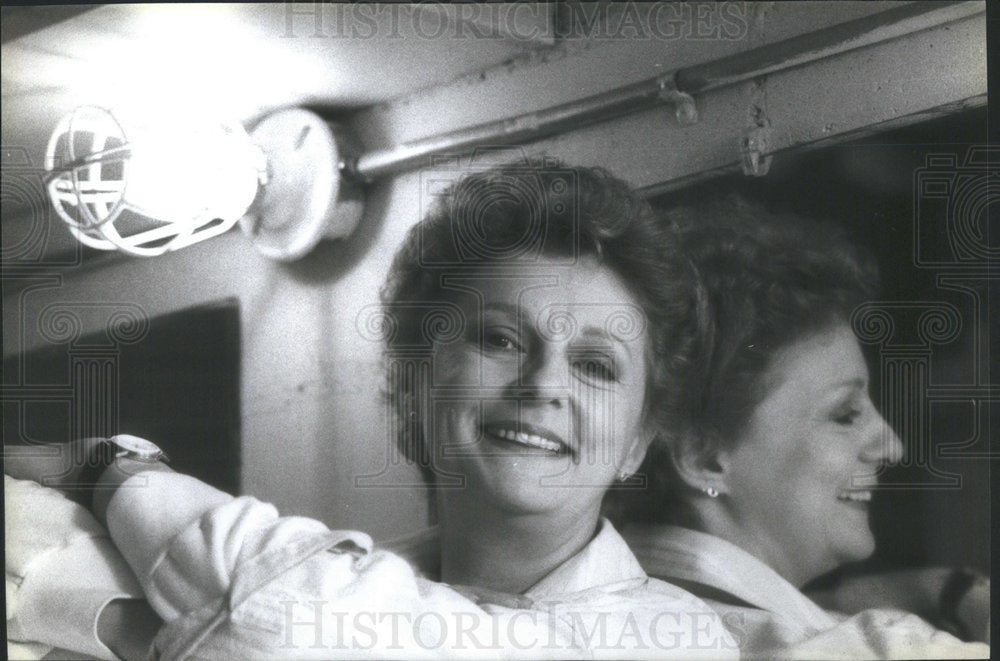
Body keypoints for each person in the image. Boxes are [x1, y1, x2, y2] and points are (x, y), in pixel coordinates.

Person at [5, 161, 736, 660]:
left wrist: (108, 467)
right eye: (501, 338)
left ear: (640, 440)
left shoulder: (678, 639)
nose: (545, 383)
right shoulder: (351, 586)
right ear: (419, 375)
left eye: (596, 366)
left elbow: (297, 630)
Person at [611, 196, 990, 659]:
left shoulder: (580, 623)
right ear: (703, 455)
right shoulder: (880, 650)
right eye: (844, 414)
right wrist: (964, 595)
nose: (892, 446)